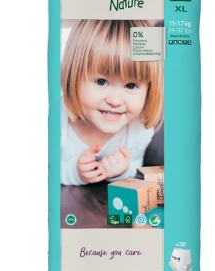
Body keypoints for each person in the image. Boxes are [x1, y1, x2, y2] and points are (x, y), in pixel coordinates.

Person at [61, 19, 163, 186]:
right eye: (101, 82)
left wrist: (121, 171)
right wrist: (72, 172)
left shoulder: (139, 129)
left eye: (131, 85)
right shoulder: (56, 121)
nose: (115, 101)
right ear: (72, 77)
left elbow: (135, 167)